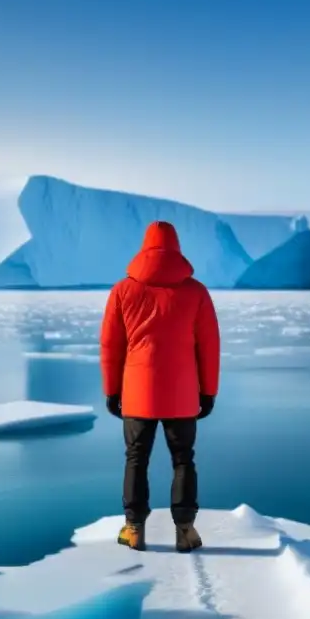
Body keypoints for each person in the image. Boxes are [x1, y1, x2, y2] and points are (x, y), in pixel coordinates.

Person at [99, 220, 221, 553]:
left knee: (136, 458)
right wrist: (208, 391)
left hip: (137, 392)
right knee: (183, 460)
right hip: (182, 394)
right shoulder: (195, 292)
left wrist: (112, 390)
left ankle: (133, 529)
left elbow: (112, 346)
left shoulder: (123, 291)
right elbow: (208, 346)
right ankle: (185, 531)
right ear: (176, 247)